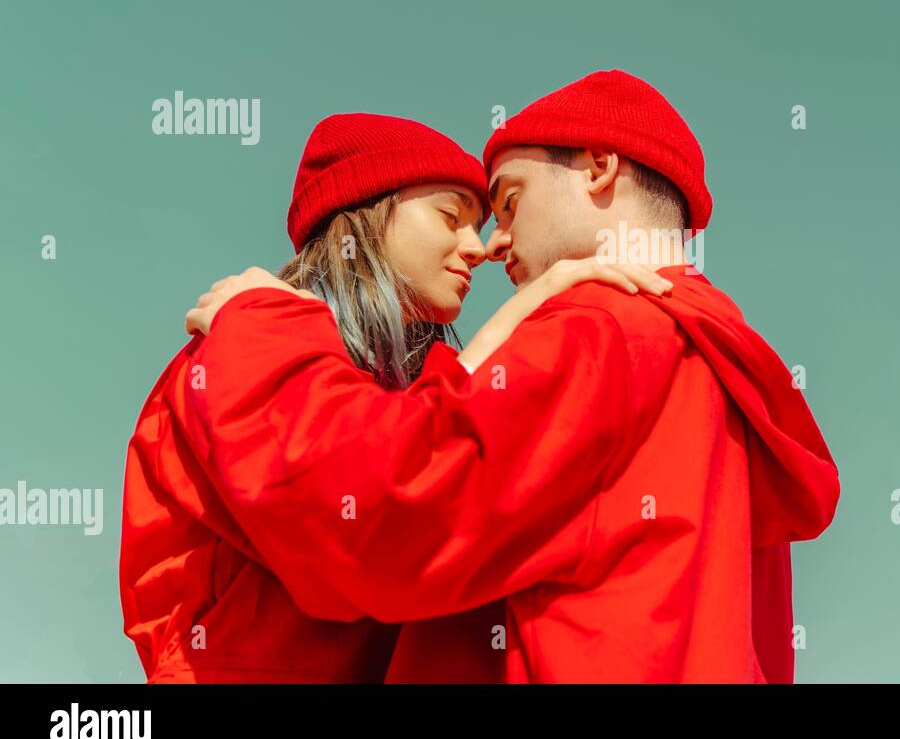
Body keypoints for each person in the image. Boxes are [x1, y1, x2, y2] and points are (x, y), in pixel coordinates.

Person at [182, 70, 840, 682]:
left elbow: (386, 511)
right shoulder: (718, 367)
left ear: (599, 168)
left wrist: (260, 331)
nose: (492, 244)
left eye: (509, 200)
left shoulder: (600, 328)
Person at [120, 111, 664, 682]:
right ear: (367, 218)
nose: (477, 248)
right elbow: (362, 527)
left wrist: (537, 299)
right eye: (451, 216)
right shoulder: (233, 354)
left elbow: (425, 456)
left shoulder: (412, 375)